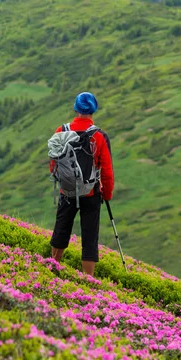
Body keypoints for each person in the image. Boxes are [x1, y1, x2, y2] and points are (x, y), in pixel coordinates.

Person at [50, 92, 114, 276]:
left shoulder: (61, 131)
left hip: (67, 191)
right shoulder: (99, 136)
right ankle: (88, 280)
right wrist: (107, 194)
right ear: (93, 110)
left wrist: (65, 180)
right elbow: (107, 171)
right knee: (89, 237)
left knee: (61, 229)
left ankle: (52, 267)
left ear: (76, 108)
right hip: (91, 193)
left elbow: (53, 164)